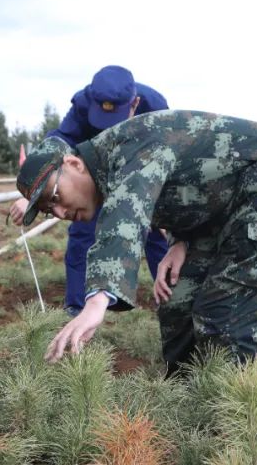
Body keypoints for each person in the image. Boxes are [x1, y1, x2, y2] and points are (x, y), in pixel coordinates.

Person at [16, 110, 257, 375]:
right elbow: (189, 187)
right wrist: (180, 241)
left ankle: (239, 424)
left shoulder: (128, 148)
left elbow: (126, 213)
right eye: (46, 210)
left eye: (54, 197)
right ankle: (182, 400)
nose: (58, 211)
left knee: (224, 315)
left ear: (74, 164)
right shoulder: (110, 168)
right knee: (177, 299)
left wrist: (97, 299)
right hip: (234, 202)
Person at [9, 66, 170, 315]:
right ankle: (77, 306)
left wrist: (161, 203)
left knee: (157, 233)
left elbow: (169, 153)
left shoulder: (154, 105)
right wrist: (33, 193)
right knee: (82, 232)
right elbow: (62, 139)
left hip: (139, 177)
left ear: (134, 103)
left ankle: (173, 301)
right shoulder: (83, 103)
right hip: (92, 181)